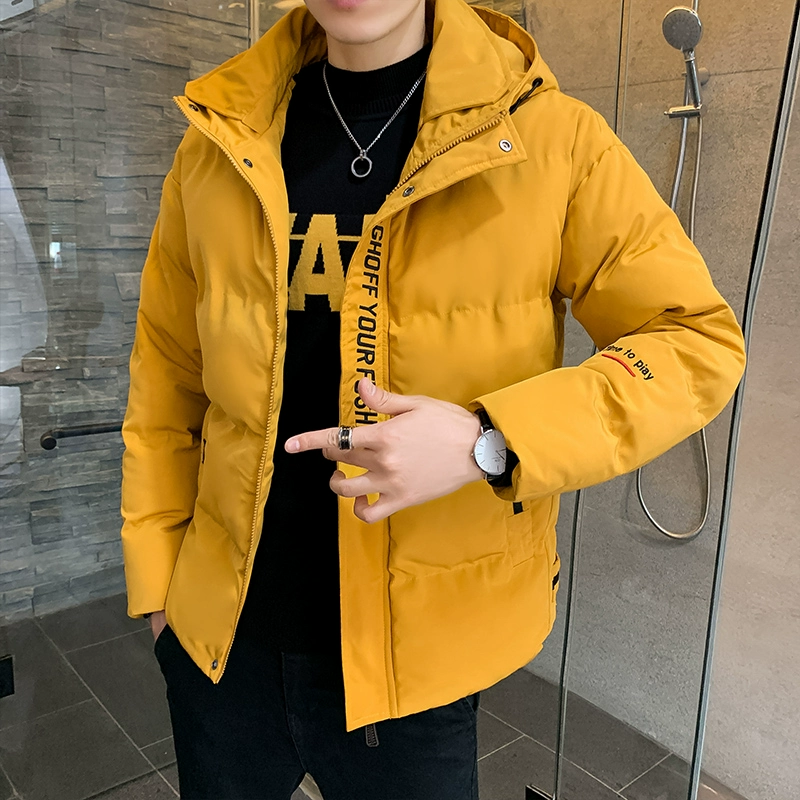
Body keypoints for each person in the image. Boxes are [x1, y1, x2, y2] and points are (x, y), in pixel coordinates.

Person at [119, 0, 746, 797]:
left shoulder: (554, 139)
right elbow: (166, 382)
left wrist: (490, 440)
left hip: (418, 666)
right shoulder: (217, 141)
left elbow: (695, 341)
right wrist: (158, 589)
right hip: (219, 641)